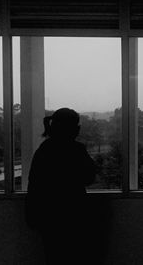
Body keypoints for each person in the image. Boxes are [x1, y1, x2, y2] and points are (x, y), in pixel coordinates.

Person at [25, 108, 97, 264]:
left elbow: (34, 184)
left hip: (49, 217)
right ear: (74, 129)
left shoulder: (44, 150)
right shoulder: (76, 149)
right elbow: (89, 177)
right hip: (75, 215)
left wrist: (32, 214)